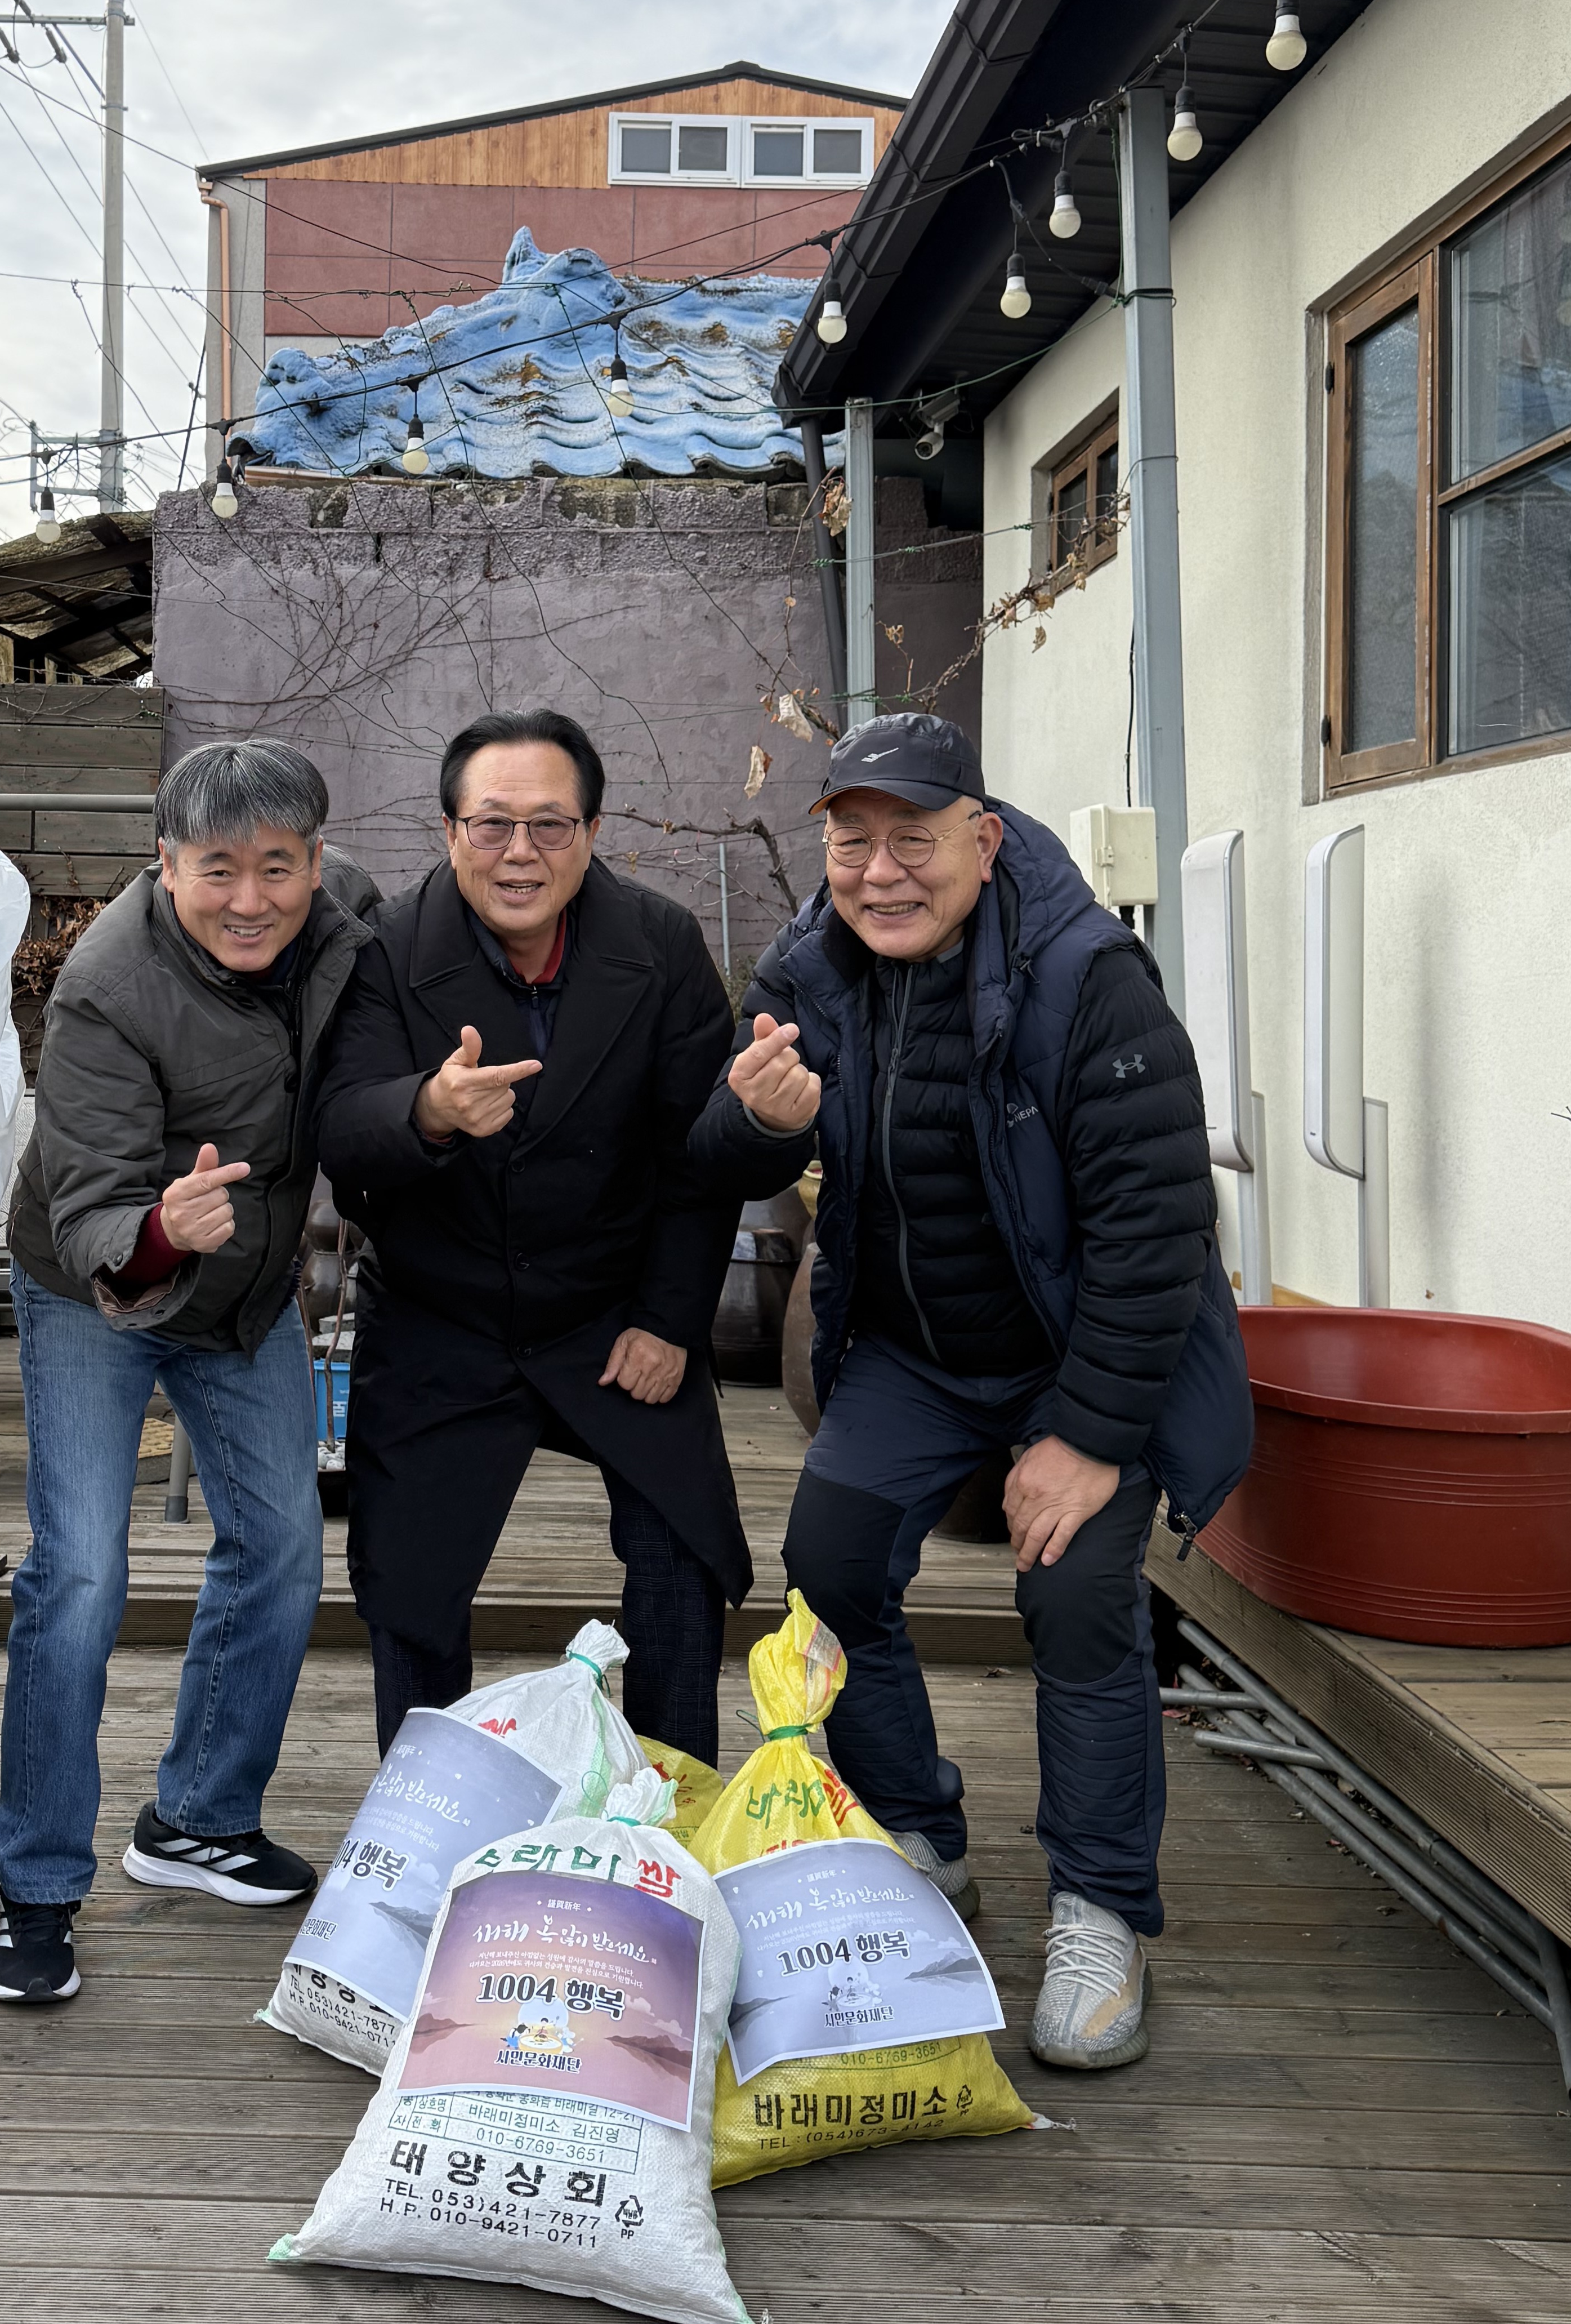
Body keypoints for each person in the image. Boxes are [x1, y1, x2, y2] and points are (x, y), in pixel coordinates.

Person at [688, 710, 1251, 2072]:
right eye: (852, 841)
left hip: (1081, 1350)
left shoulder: (1088, 977)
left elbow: (1157, 1226)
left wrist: (1090, 1435)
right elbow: (719, 1156)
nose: (881, 872)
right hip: (914, 1353)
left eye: (915, 839)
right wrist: (757, 1120)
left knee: (1077, 1596)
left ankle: (1103, 1908)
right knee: (831, 1567)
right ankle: (919, 1835)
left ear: (983, 840)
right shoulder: (808, 968)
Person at [0, 739, 380, 2005]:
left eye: (278, 866)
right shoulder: (105, 986)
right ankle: (38, 1883)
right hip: (96, 1282)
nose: (251, 899)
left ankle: (199, 1816)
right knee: (80, 1572)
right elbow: (91, 1204)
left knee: (284, 1545)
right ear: (167, 863)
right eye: (219, 869)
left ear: (316, 859)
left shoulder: (348, 919)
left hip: (246, 1289)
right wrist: (162, 1230)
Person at [317, 707, 750, 1766]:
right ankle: (427, 1816)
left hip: (609, 1306)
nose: (522, 852)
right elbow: (341, 1126)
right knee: (409, 1581)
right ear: (450, 830)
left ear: (592, 832)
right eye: (493, 824)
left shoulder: (660, 945)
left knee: (682, 1552)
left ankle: (669, 1806)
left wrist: (669, 1320)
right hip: (443, 1311)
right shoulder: (387, 949)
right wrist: (426, 1110)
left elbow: (696, 1155)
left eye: (551, 825)